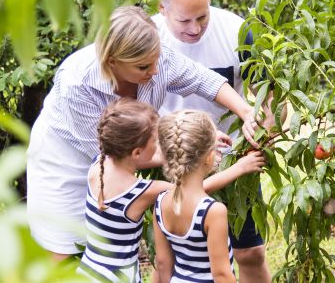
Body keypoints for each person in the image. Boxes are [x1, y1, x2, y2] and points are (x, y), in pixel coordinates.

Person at [26, 6, 260, 261]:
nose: (156, 70)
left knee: (105, 249)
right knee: (63, 251)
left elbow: (203, 79)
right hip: (65, 162)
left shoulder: (158, 60)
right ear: (113, 61)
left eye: (157, 58)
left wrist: (246, 111)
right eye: (143, 66)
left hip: (117, 159)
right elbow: (116, 155)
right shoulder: (77, 84)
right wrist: (194, 146)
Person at [152, 0, 275, 282]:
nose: (195, 29)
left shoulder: (237, 30)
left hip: (232, 158)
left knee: (250, 251)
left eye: (202, 16)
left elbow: (266, 98)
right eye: (184, 20)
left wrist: (265, 121)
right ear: (162, 9)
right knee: (182, 258)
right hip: (174, 164)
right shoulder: (147, 39)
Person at [77, 99, 265, 282]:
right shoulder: (142, 191)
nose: (160, 145)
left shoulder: (99, 163)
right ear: (136, 152)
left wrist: (197, 143)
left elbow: (163, 261)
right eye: (155, 140)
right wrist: (238, 168)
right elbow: (190, 193)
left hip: (88, 270)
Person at [153, 110, 237, 283]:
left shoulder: (160, 204)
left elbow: (162, 263)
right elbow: (221, 274)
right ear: (210, 157)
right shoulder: (213, 211)